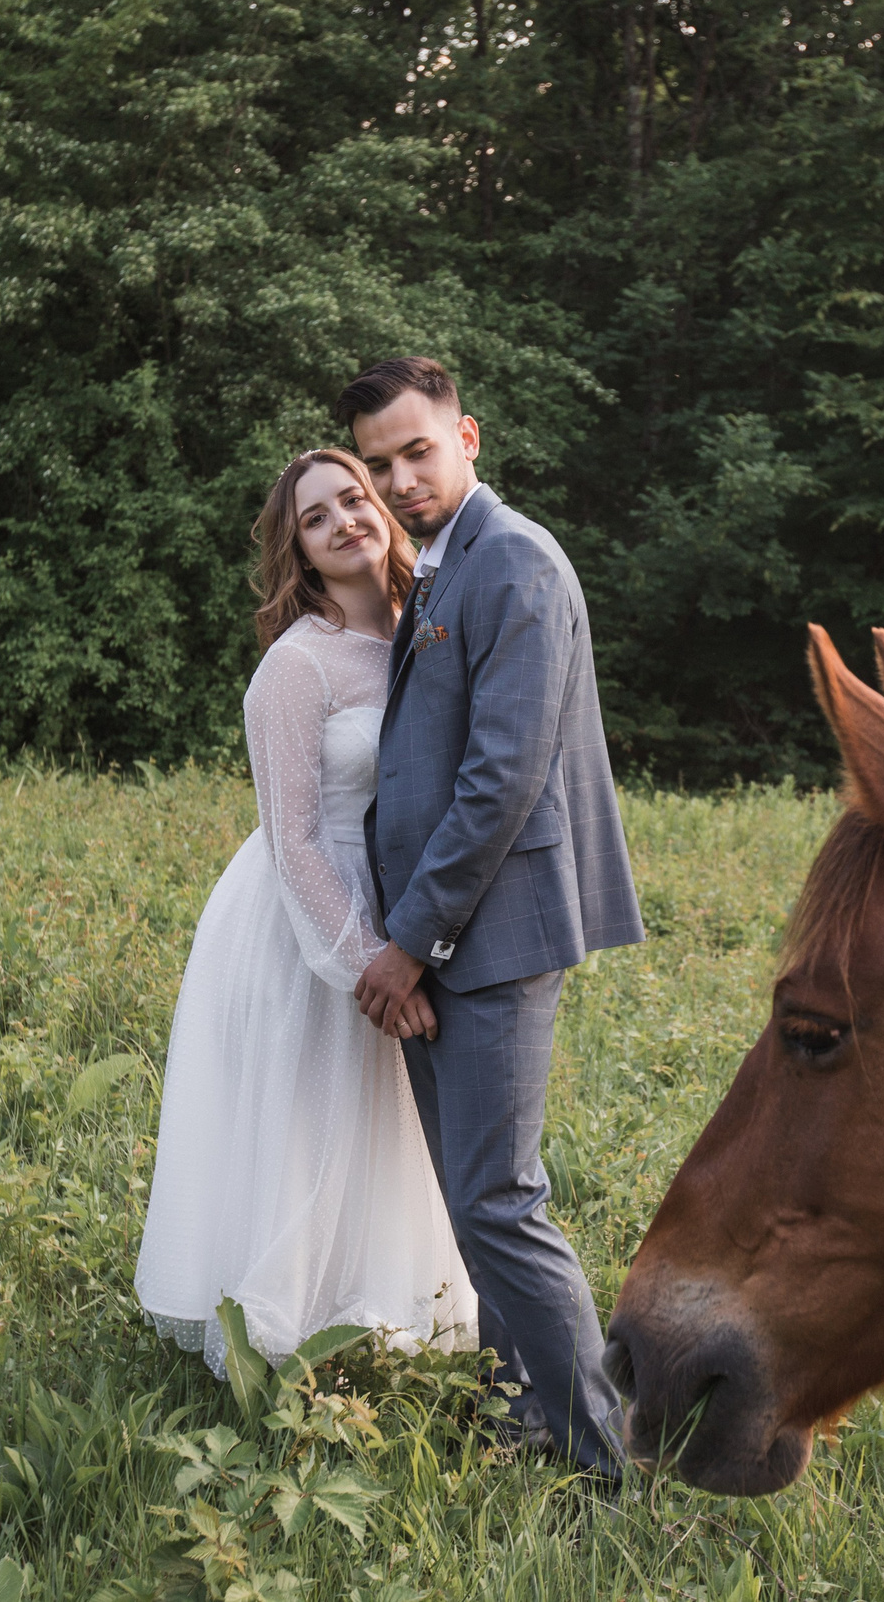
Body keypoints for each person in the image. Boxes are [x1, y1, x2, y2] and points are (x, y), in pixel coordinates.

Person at [339, 357, 646, 1477]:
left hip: (492, 931)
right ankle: (526, 1415)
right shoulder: (441, 565)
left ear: (467, 437)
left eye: (417, 451)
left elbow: (501, 778)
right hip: (443, 937)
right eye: (378, 464)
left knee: (501, 1202)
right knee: (477, 1201)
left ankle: (602, 1460)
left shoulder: (513, 558)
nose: (399, 480)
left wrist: (408, 943)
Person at [134, 449, 475, 1373]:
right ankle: (279, 1334)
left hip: (406, 905)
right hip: (309, 916)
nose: (342, 522)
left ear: (383, 508)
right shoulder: (296, 666)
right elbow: (291, 837)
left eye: (352, 499)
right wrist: (368, 960)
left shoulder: (426, 626)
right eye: (315, 518)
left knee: (390, 1121)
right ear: (301, 551)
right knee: (311, 1121)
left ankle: (385, 1309)